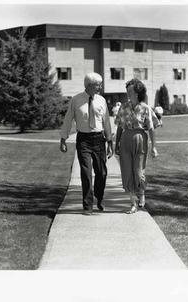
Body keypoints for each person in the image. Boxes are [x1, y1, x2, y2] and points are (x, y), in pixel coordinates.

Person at [60, 72, 114, 215]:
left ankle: (99, 196)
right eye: (98, 85)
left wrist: (110, 141)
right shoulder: (76, 100)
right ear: (89, 85)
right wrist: (63, 139)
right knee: (86, 173)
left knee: (101, 172)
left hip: (99, 139)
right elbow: (68, 119)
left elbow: (106, 121)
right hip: (83, 140)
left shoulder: (101, 100)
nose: (100, 87)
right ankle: (87, 205)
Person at [115, 79, 159, 214]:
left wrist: (153, 147)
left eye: (130, 90)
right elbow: (119, 128)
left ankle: (141, 193)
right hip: (125, 140)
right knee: (127, 172)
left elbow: (151, 128)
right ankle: (133, 203)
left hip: (141, 139)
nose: (128, 93)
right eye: (127, 90)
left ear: (137, 92)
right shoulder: (123, 107)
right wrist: (116, 144)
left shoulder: (145, 108)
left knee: (138, 171)